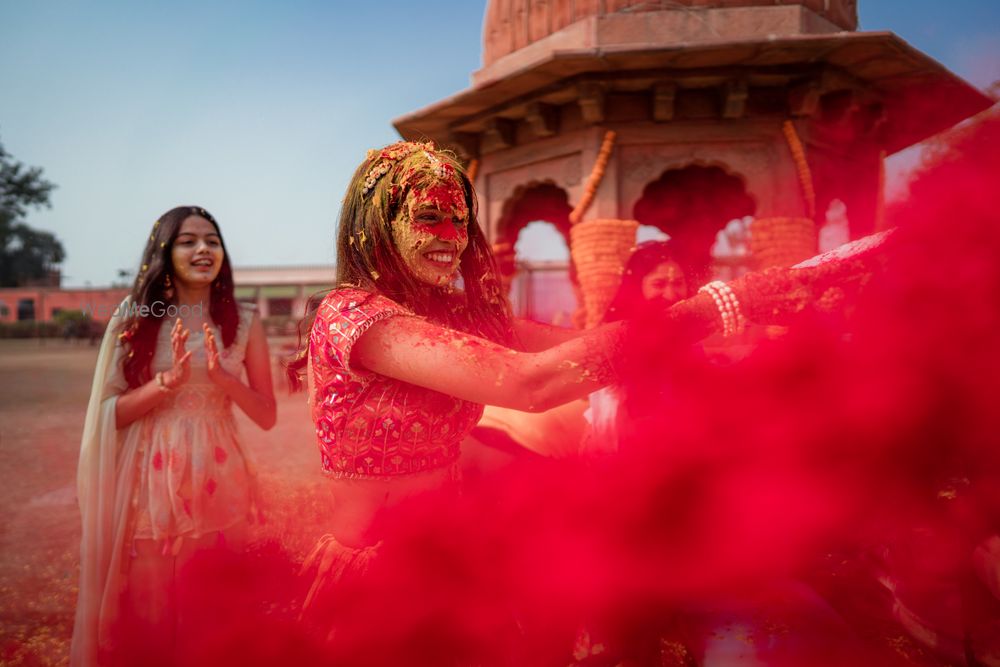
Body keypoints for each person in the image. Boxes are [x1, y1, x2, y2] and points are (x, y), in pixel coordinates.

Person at [286, 141, 834, 624]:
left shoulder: (453, 315)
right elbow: (527, 383)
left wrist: (741, 322)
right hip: (380, 580)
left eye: (460, 221)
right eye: (430, 217)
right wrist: (717, 306)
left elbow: (575, 343)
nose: (451, 239)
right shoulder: (352, 316)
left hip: (450, 558)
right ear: (379, 223)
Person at [71, 205, 276, 667]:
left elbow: (266, 416)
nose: (204, 249)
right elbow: (108, 415)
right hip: (150, 486)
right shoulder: (136, 318)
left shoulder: (243, 322)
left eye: (212, 240)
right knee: (152, 615)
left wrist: (223, 379)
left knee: (215, 614)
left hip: (221, 483)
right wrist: (165, 385)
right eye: (188, 241)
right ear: (164, 251)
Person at [583, 240, 691, 455]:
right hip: (628, 451)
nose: (671, 295)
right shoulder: (617, 335)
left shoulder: (689, 329)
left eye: (678, 283)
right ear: (637, 287)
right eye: (659, 284)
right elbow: (612, 415)